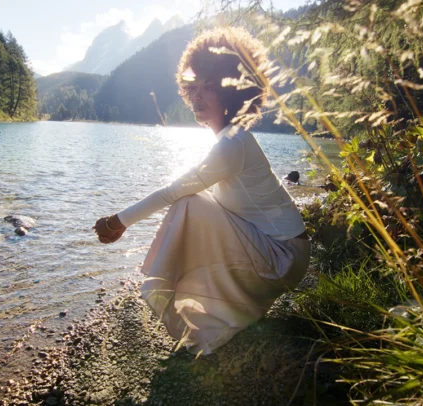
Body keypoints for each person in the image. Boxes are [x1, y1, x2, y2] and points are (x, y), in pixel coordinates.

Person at [93, 27, 310, 355]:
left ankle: (194, 321)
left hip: (284, 259)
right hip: (277, 251)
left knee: (189, 203)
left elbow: (172, 193)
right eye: (193, 88)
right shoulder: (230, 139)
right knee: (195, 203)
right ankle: (222, 311)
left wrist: (117, 221)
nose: (197, 97)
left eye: (209, 88)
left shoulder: (233, 144)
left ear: (232, 92)